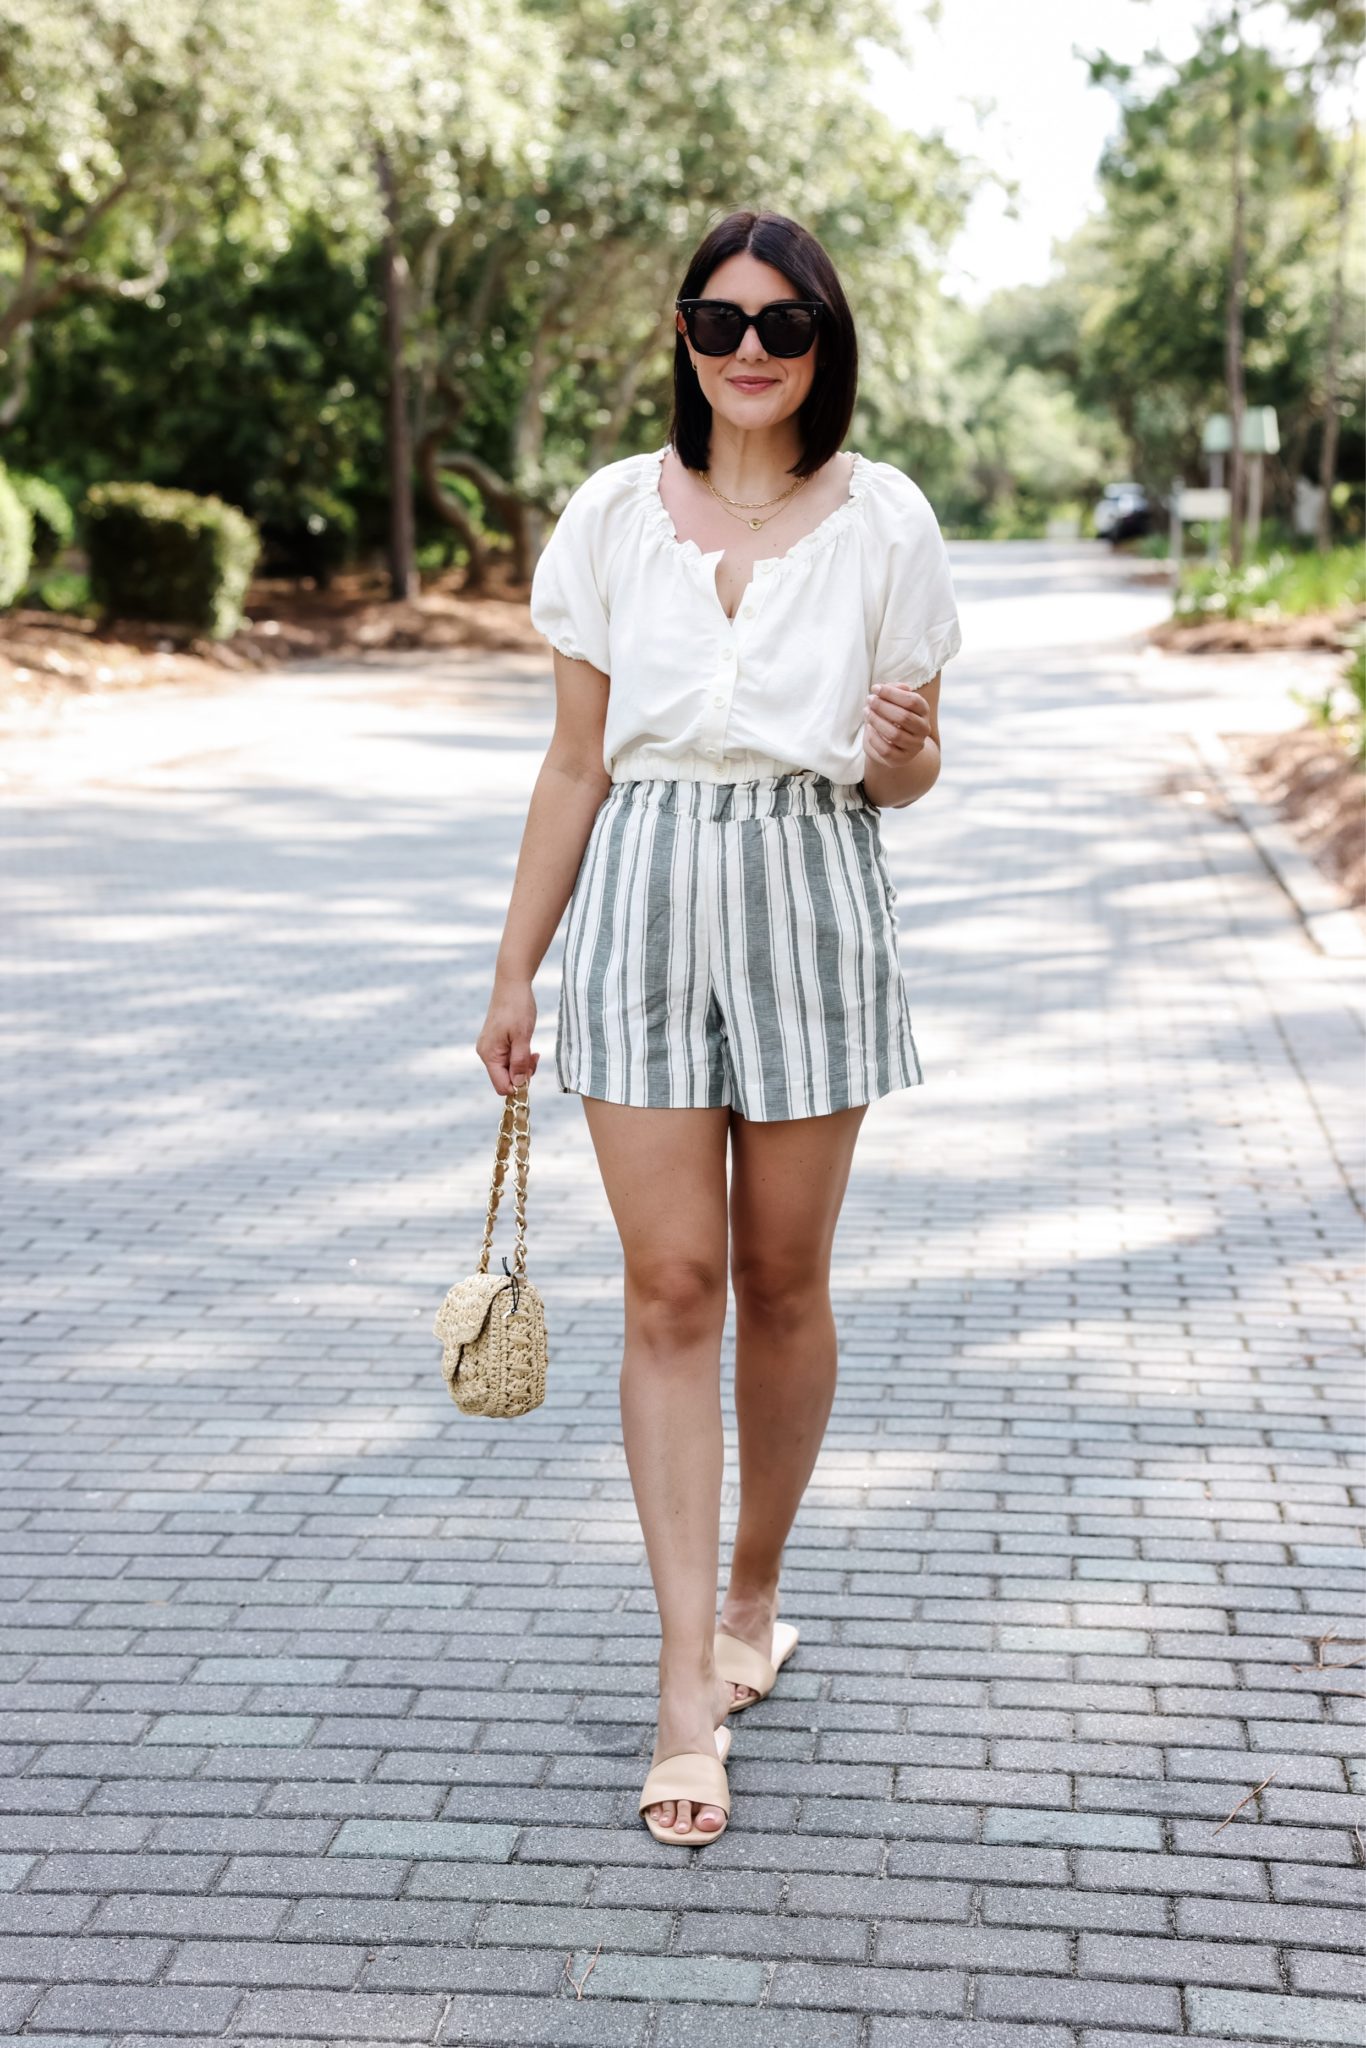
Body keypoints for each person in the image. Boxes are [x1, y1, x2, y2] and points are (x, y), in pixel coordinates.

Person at [476, 207, 962, 1847]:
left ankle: (758, 1593)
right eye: (716, 319)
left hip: (815, 888)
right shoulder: (615, 513)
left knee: (780, 1277)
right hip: (644, 897)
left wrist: (895, 748)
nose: (747, 350)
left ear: (825, 342)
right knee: (669, 1283)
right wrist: (511, 969)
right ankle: (686, 1684)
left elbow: (909, 769)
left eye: (782, 324)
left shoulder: (885, 519)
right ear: (681, 336)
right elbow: (572, 763)